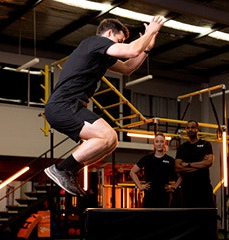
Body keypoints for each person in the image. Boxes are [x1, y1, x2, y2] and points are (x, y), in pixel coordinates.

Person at [44, 16, 165, 197]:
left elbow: (127, 67)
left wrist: (146, 49)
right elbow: (132, 50)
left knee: (111, 142)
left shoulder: (100, 54)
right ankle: (62, 169)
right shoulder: (95, 42)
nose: (120, 44)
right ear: (109, 33)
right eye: (119, 40)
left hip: (69, 106)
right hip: (64, 105)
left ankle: (69, 171)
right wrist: (150, 32)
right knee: (107, 135)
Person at [130, 133, 182, 208]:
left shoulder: (170, 160)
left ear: (165, 143)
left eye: (161, 141)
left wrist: (173, 187)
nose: (159, 144)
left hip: (164, 197)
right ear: (154, 144)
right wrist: (140, 187)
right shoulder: (147, 158)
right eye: (157, 142)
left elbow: (181, 176)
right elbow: (132, 172)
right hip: (149, 196)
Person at [175, 120, 215, 208]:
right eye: (188, 128)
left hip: (204, 188)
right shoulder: (182, 148)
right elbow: (178, 167)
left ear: (197, 129)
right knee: (189, 217)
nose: (190, 130)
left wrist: (188, 164)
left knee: (206, 217)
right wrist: (201, 166)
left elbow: (209, 162)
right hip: (187, 189)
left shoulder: (205, 145)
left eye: (192, 127)